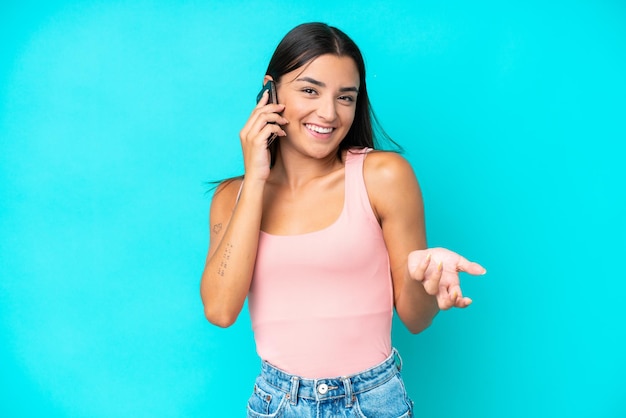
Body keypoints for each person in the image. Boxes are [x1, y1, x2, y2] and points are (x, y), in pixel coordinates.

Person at [200, 22, 486, 417]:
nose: (329, 113)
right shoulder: (232, 197)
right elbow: (219, 310)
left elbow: (416, 319)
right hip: (276, 403)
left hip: (373, 401)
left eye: (346, 97)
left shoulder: (384, 176)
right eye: (310, 90)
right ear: (269, 91)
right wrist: (256, 178)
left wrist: (428, 278)